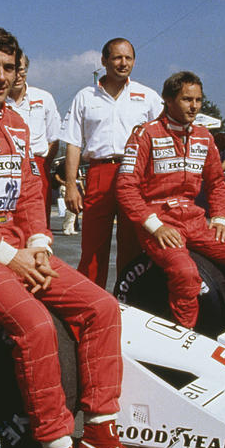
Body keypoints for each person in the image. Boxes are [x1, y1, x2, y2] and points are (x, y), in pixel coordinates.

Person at [0, 27, 158, 448]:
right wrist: (9, 255)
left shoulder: (16, 122)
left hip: (18, 252)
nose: (1, 76)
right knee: (34, 325)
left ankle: (100, 437)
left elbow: (32, 194)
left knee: (102, 307)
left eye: (9, 68)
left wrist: (38, 245)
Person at [116, 71, 225, 328]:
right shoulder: (145, 134)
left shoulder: (204, 136)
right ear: (168, 99)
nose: (195, 106)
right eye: (187, 99)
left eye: (198, 100)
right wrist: (156, 227)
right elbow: (126, 188)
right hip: (159, 221)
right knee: (186, 274)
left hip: (194, 219)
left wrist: (221, 216)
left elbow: (216, 182)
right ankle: (186, 337)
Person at [60, 38, 162, 287]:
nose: (123, 63)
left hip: (136, 175)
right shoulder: (85, 96)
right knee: (93, 247)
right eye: (117, 57)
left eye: (128, 58)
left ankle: (132, 302)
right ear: (104, 61)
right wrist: (71, 186)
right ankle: (89, 305)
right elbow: (73, 143)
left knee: (133, 245)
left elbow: (163, 138)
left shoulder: (147, 96)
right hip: (99, 173)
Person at [7, 52, 61, 226]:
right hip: (7, 167)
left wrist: (43, 166)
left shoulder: (44, 98)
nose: (17, 76)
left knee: (39, 224)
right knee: (7, 223)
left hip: (38, 166)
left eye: (21, 70)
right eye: (12, 69)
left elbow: (54, 138)